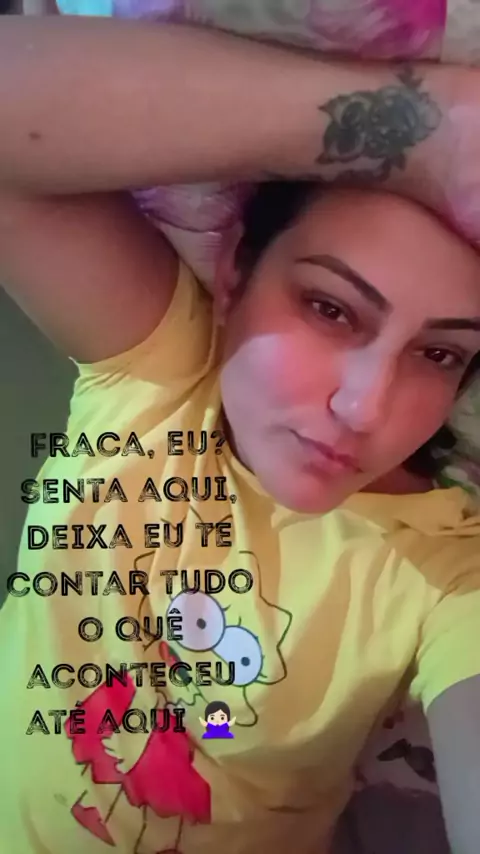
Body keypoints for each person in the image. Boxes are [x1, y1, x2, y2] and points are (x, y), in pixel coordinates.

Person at [2, 15, 480, 854]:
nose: (366, 408)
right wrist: (433, 129)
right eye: (330, 308)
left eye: (439, 354)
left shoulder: (444, 572)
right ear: (234, 274)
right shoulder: (157, 380)